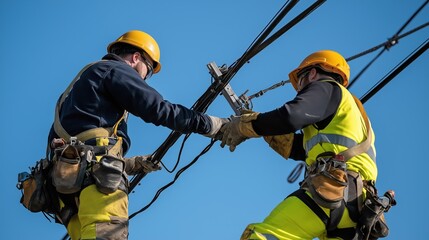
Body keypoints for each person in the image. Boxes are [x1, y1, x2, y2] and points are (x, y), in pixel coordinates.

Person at [47, 30, 228, 240]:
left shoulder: (78, 88)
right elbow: (159, 109)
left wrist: (129, 164)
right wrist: (212, 125)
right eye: (148, 70)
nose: (144, 78)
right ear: (136, 58)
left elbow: (80, 145)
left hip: (65, 190)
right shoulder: (114, 70)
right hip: (94, 184)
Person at [220, 50, 381, 239]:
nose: (299, 91)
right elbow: (308, 149)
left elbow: (291, 116)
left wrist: (245, 126)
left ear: (312, 73)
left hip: (332, 191)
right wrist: (268, 132)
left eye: (301, 82)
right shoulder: (355, 115)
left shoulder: (325, 87)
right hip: (357, 208)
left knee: (261, 236)